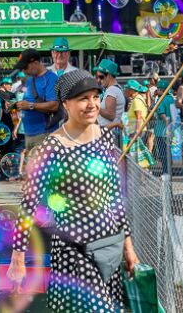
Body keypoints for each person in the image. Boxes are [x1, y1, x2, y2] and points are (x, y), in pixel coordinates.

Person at [8, 70, 138, 310]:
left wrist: (128, 247)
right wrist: (18, 256)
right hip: (74, 251)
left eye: (95, 97)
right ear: (65, 104)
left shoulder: (103, 137)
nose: (92, 105)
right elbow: (29, 204)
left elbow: (114, 198)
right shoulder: (52, 147)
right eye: (83, 98)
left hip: (109, 248)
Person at [14, 49, 59, 169]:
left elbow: (54, 105)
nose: (23, 71)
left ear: (35, 63)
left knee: (41, 173)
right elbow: (29, 101)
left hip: (43, 134)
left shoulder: (51, 78)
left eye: (25, 67)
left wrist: (30, 106)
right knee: (33, 173)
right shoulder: (30, 80)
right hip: (30, 134)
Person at [95, 60, 126, 148]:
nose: (98, 80)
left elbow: (110, 115)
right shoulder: (114, 89)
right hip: (109, 134)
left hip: (109, 136)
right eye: (97, 77)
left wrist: (95, 106)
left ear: (109, 75)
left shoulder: (112, 90)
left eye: (101, 77)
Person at [152, 80, 175, 174]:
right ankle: (169, 170)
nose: (156, 90)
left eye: (158, 89)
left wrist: (167, 123)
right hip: (171, 130)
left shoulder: (161, 99)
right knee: (168, 152)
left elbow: (161, 113)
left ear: (162, 90)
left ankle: (166, 171)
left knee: (162, 153)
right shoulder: (171, 99)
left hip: (161, 131)